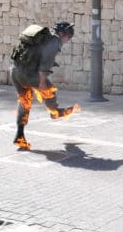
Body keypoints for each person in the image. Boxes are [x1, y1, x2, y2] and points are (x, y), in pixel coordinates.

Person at [10, 21, 79, 150]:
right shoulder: (55, 41)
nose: (68, 40)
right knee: (50, 90)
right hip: (29, 74)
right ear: (63, 34)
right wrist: (42, 83)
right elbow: (45, 64)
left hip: (15, 72)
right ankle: (55, 112)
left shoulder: (40, 39)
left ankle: (20, 135)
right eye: (69, 37)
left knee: (24, 102)